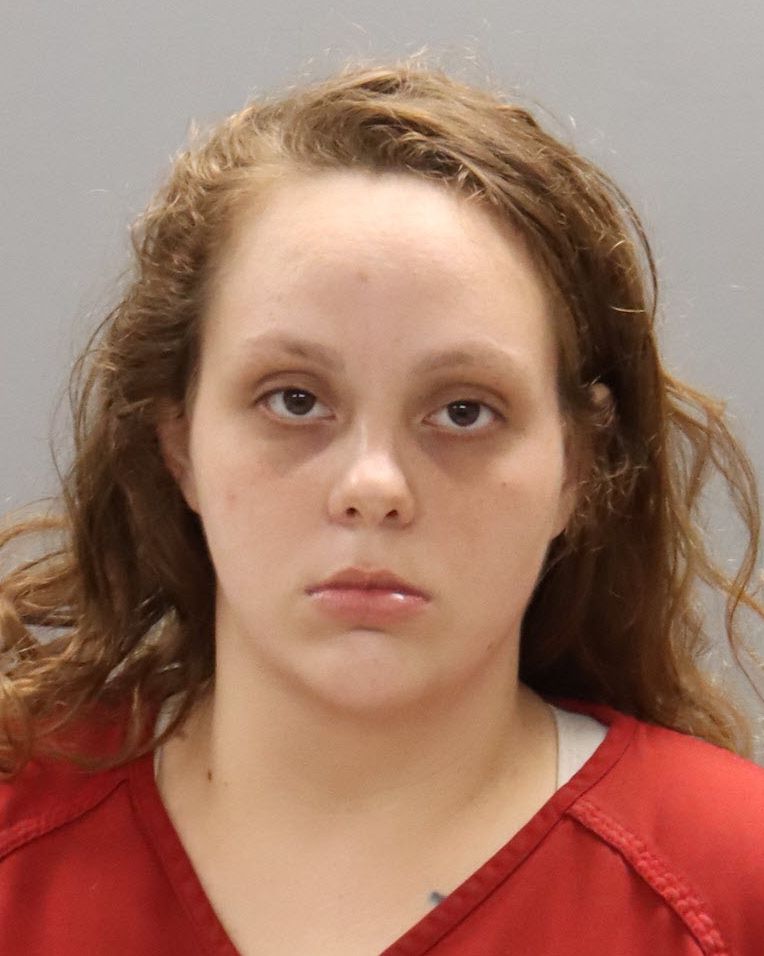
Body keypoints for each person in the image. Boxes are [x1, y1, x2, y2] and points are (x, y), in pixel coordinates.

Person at [1, 56, 763, 955]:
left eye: (464, 411)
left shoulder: (731, 886)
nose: (373, 487)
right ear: (179, 441)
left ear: (577, 466)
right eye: (293, 399)